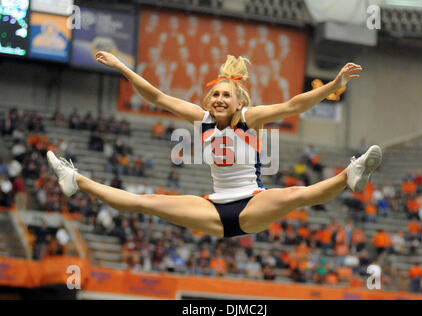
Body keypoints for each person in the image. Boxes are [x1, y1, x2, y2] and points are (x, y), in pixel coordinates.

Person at [45, 51, 382, 239]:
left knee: (296, 194)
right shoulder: (201, 117)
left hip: (252, 203)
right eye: (216, 94)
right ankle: (75, 181)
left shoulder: (252, 118)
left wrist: (334, 85)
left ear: (238, 102)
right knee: (145, 202)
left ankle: (349, 175)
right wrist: (122, 68)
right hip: (213, 208)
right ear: (210, 99)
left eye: (227, 95)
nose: (220, 98)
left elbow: (295, 105)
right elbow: (157, 96)